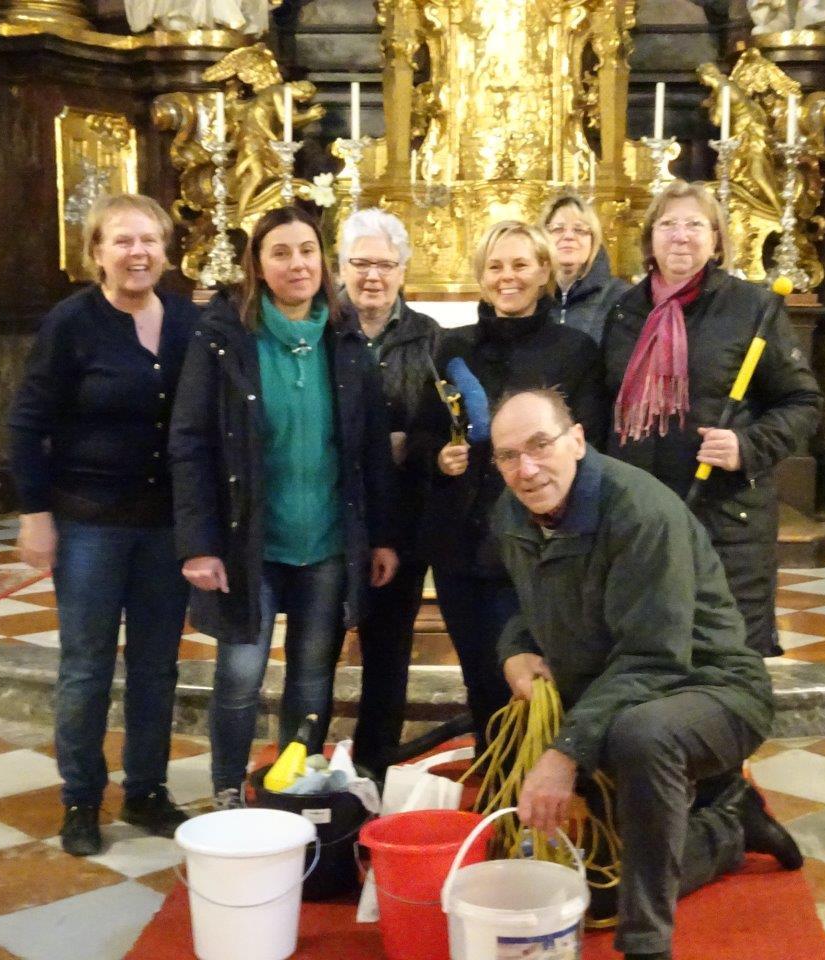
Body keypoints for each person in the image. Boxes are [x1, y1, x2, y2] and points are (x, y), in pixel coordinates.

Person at [490, 388, 802, 960]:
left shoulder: (640, 511)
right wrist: (515, 649)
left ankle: (646, 944)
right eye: (508, 456)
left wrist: (564, 754)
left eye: (540, 446)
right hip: (623, 689)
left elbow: (654, 656)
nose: (526, 469)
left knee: (642, 736)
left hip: (713, 686)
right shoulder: (513, 514)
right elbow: (531, 604)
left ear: (577, 440)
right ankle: (728, 827)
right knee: (602, 887)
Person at [169, 204, 398, 808]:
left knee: (312, 674)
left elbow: (372, 448)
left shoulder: (347, 339)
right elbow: (190, 442)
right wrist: (198, 543)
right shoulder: (225, 339)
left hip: (326, 540)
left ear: (323, 261)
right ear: (258, 265)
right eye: (280, 253)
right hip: (250, 541)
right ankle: (227, 789)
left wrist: (381, 536)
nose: (297, 264)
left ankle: (295, 788)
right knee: (240, 674)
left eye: (307, 251)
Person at [8, 193, 196, 856]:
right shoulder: (71, 323)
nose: (137, 253)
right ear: (97, 253)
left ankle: (145, 790)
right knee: (87, 666)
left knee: (156, 666)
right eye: (122, 241)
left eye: (149, 240)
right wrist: (35, 515)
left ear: (166, 250)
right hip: (89, 522)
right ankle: (82, 799)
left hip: (165, 526)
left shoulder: (187, 320)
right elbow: (27, 424)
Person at [603, 180, 822, 656]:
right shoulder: (624, 312)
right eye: (668, 224)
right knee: (652, 651)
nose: (680, 235)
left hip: (726, 518)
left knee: (728, 655)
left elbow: (802, 402)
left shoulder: (753, 308)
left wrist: (746, 446)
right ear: (649, 238)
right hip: (644, 516)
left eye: (695, 225)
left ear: (717, 240)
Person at [418, 220, 606, 748]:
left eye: (521, 264)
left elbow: (589, 446)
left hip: (537, 542)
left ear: (544, 271)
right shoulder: (451, 346)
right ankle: (494, 773)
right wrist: (440, 456)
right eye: (495, 266)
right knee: (479, 676)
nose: (508, 277)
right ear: (481, 276)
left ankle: (539, 776)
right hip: (461, 543)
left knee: (533, 678)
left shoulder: (575, 350)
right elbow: (423, 429)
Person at [336, 208, 443, 778]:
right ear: (341, 267)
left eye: (385, 264)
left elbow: (443, 421)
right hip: (329, 510)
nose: (372, 276)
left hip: (401, 514)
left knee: (388, 646)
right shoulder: (322, 329)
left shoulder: (429, 337)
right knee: (317, 642)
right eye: (360, 263)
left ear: (403, 270)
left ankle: (375, 765)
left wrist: (411, 442)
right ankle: (304, 765)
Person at [539, 190, 630, 344]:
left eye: (579, 230)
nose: (569, 236)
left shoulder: (621, 296)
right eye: (558, 229)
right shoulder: (533, 296)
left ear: (593, 241)